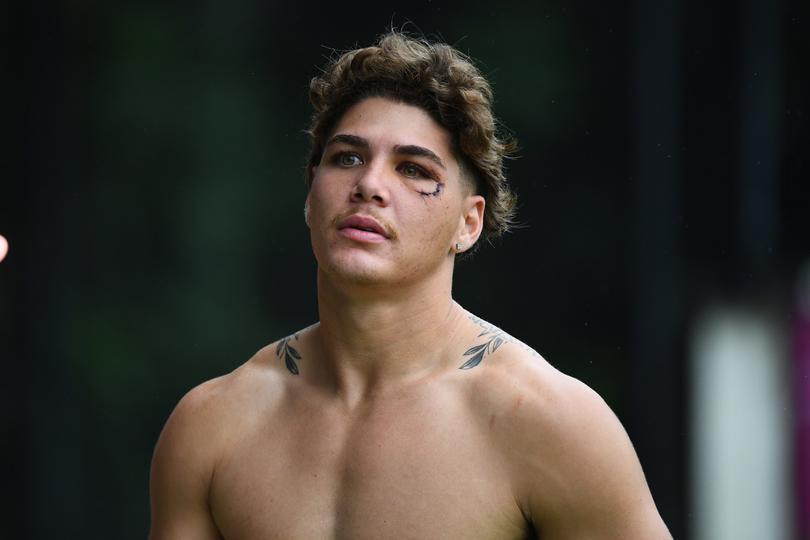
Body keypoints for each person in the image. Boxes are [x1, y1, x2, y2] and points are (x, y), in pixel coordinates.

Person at [149, 31, 671, 539]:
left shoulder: (546, 421)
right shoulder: (214, 426)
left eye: (414, 169)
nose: (370, 185)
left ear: (468, 224)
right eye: (347, 157)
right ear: (310, 196)